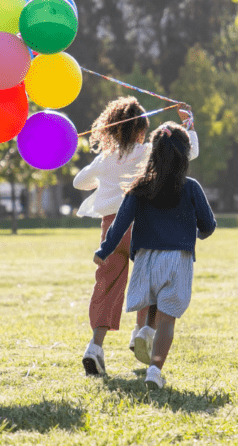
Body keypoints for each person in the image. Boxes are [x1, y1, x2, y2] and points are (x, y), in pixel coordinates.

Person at [73, 97, 198, 377]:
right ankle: (141, 332)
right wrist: (188, 124)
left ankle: (95, 346)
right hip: (142, 227)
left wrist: (104, 175)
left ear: (112, 131)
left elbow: (78, 182)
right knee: (150, 281)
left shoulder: (105, 158)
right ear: (142, 130)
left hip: (111, 230)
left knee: (106, 287)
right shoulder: (148, 152)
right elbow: (188, 152)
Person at [94, 122, 216, 389]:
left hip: (146, 259)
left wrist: (104, 250)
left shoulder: (139, 187)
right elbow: (209, 225)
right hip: (178, 259)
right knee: (167, 320)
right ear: (184, 156)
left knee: (151, 299)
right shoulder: (192, 187)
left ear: (153, 153)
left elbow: (120, 224)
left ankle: (145, 330)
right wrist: (195, 234)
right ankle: (154, 370)